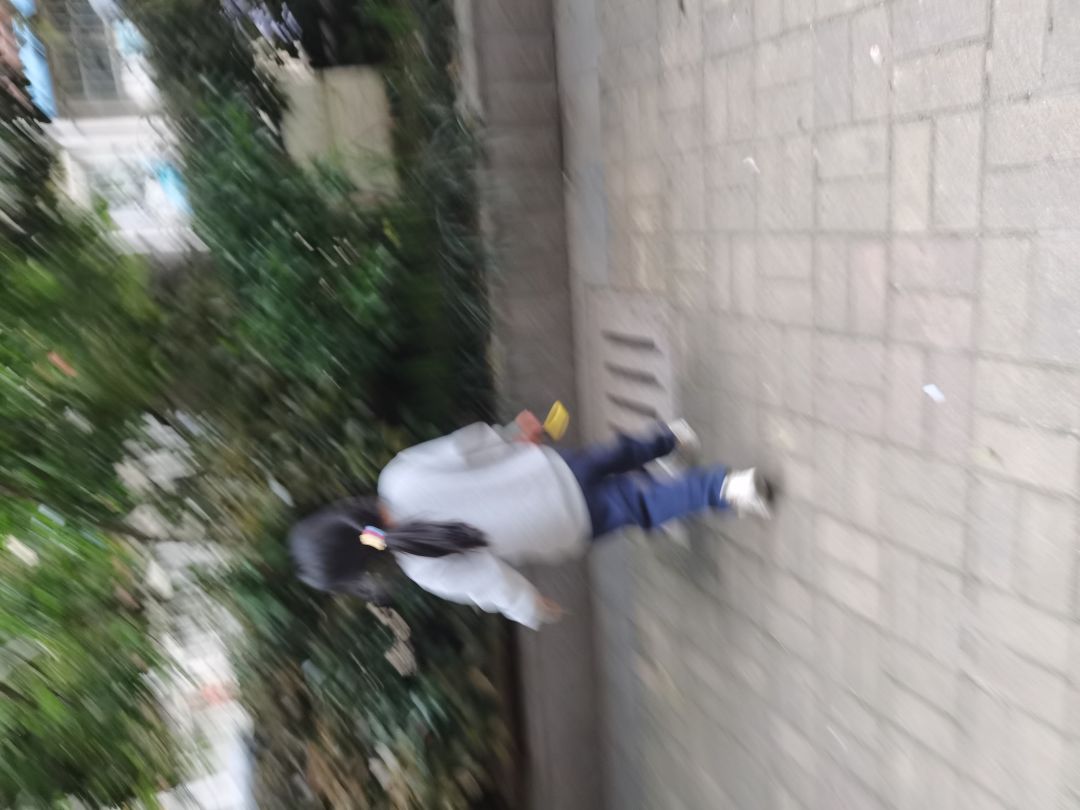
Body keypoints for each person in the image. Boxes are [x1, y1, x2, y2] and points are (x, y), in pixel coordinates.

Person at [289, 413, 773, 629]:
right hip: (547, 469)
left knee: (642, 506)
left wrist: (532, 608)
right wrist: (514, 434)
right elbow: (464, 447)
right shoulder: (398, 475)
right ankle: (672, 437)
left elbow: (491, 584)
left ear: (358, 569)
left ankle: (727, 488)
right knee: (612, 456)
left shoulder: (421, 567)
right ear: (339, 513)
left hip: (561, 522)